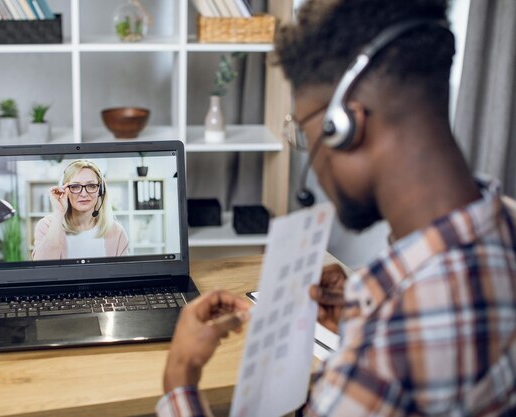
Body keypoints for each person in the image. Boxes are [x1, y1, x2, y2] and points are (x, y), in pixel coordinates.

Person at [156, 0, 516, 416]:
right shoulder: (505, 223)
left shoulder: (383, 354)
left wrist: (180, 380)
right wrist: (358, 321)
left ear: (345, 126)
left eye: (306, 135)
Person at [32, 159, 129, 260]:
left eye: (91, 186)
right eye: (75, 186)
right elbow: (41, 270)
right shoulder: (47, 226)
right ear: (65, 190)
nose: (83, 194)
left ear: (100, 191)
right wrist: (58, 214)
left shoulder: (117, 232)